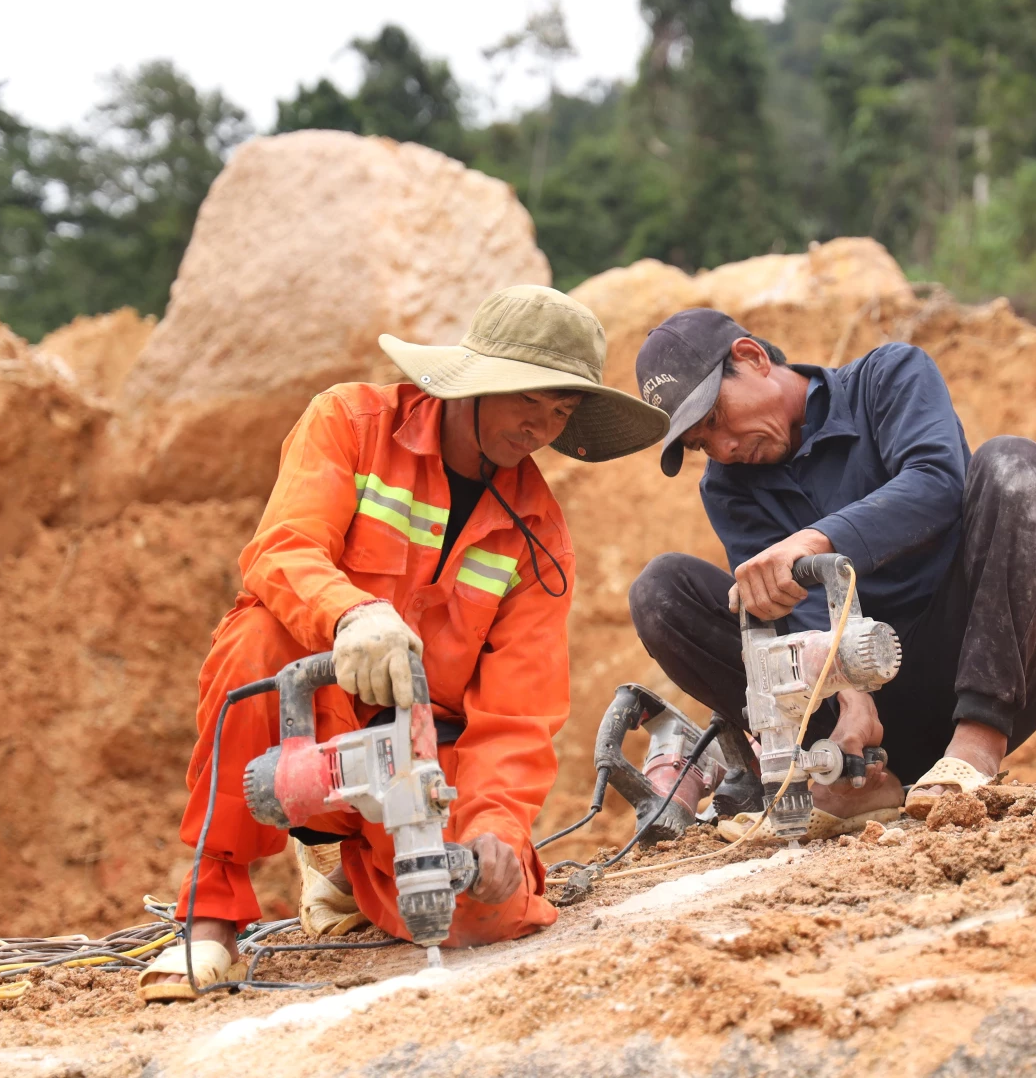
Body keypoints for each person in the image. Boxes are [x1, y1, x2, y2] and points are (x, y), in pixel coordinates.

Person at [138, 286, 668, 1000]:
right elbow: (282, 551)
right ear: (476, 383)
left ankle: (351, 879)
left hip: (423, 765)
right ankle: (212, 917)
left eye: (561, 414)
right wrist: (350, 614)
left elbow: (519, 711)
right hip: (315, 731)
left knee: (486, 912)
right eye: (528, 401)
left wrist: (495, 831)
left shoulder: (538, 530)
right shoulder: (351, 422)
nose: (540, 429)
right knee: (257, 640)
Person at [627, 309, 1036, 834]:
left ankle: (976, 746)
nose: (721, 448)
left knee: (1012, 464)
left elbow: (938, 483)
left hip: (974, 667)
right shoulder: (727, 484)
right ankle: (856, 781)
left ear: (752, 358)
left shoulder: (888, 378)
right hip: (860, 721)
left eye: (716, 419)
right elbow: (791, 608)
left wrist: (817, 539)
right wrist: (850, 702)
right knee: (662, 590)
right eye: (701, 442)